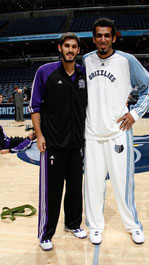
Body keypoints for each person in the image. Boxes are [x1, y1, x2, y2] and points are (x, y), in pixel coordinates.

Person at [83, 18, 149, 245]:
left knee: (124, 184)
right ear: (94, 39)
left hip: (118, 132)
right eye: (98, 35)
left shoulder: (127, 60)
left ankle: (133, 226)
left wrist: (135, 113)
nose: (102, 39)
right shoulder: (85, 60)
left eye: (107, 35)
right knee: (92, 184)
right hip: (92, 134)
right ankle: (95, 226)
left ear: (114, 37)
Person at [29, 32, 87, 251]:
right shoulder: (45, 72)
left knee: (75, 188)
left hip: (76, 144)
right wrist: (40, 135)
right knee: (52, 191)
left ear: (78, 50)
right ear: (59, 48)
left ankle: (73, 224)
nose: (70, 50)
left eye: (74, 47)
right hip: (53, 143)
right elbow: (34, 107)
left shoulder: (83, 74)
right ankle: (46, 233)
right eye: (67, 46)